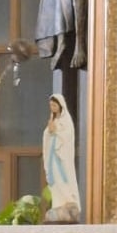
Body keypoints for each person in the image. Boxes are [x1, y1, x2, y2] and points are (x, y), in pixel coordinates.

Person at [42, 93, 81, 222]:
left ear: (60, 106)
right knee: (54, 178)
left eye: (54, 105)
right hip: (53, 154)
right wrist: (49, 131)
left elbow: (67, 135)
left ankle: (68, 200)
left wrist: (56, 131)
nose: (52, 107)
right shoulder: (53, 120)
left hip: (61, 155)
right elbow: (47, 134)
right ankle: (58, 204)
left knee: (61, 176)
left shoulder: (65, 120)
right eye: (50, 105)